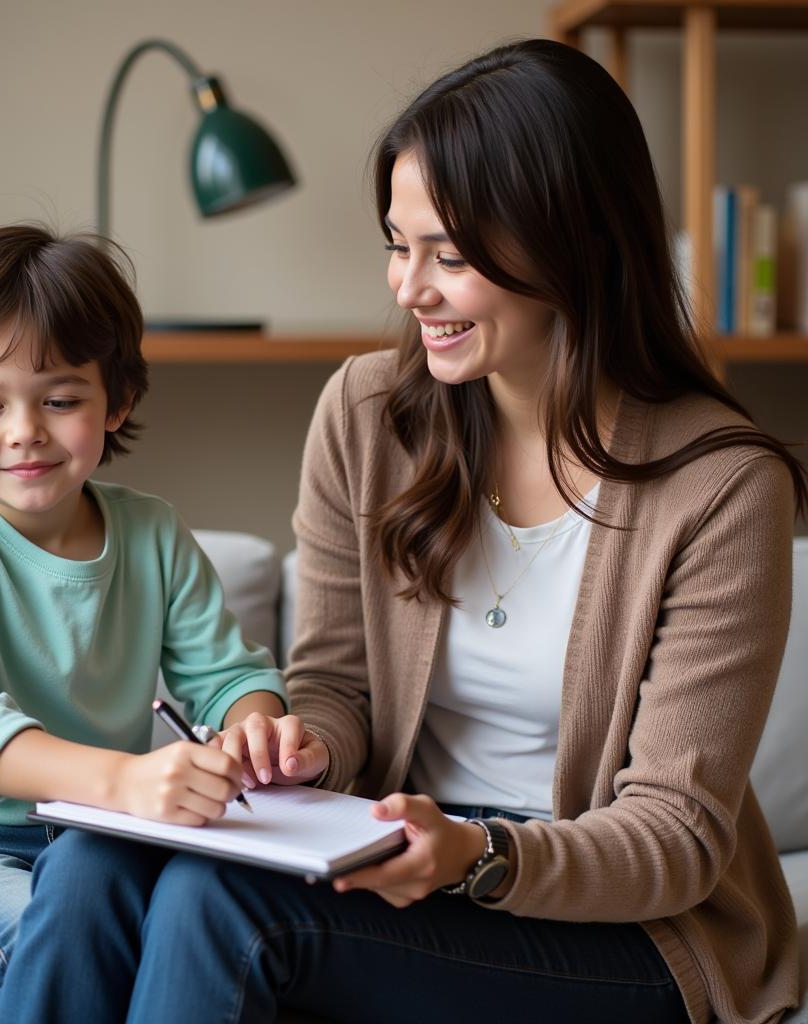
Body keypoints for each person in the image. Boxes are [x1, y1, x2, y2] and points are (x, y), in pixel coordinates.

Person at [118, 39, 806, 1024]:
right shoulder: (366, 414)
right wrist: (304, 744)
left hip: (625, 921)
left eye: (448, 255)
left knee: (220, 904)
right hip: (405, 852)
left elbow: (674, 836)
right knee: (109, 867)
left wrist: (479, 855)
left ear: (573, 243)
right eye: (398, 245)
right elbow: (337, 681)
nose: (408, 289)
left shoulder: (722, 484)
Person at [0, 224, 290, 1024]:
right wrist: (126, 780)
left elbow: (229, 678)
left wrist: (256, 729)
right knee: (69, 950)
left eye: (61, 399)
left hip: (97, 844)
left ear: (118, 400)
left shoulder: (151, 533)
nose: (25, 431)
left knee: (192, 937)